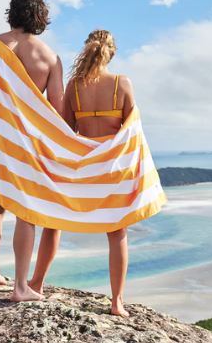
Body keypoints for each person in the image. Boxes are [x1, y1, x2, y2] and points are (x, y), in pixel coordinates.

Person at [0, 0, 63, 302]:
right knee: (27, 213)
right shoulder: (49, 57)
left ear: (11, 13)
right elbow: (56, 109)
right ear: (41, 17)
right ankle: (20, 286)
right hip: (29, 144)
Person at [62, 29, 135, 317]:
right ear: (112, 53)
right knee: (117, 234)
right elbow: (131, 132)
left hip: (85, 170)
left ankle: (34, 282)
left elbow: (65, 132)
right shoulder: (122, 83)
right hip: (112, 168)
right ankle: (117, 302)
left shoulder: (74, 86)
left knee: (52, 221)